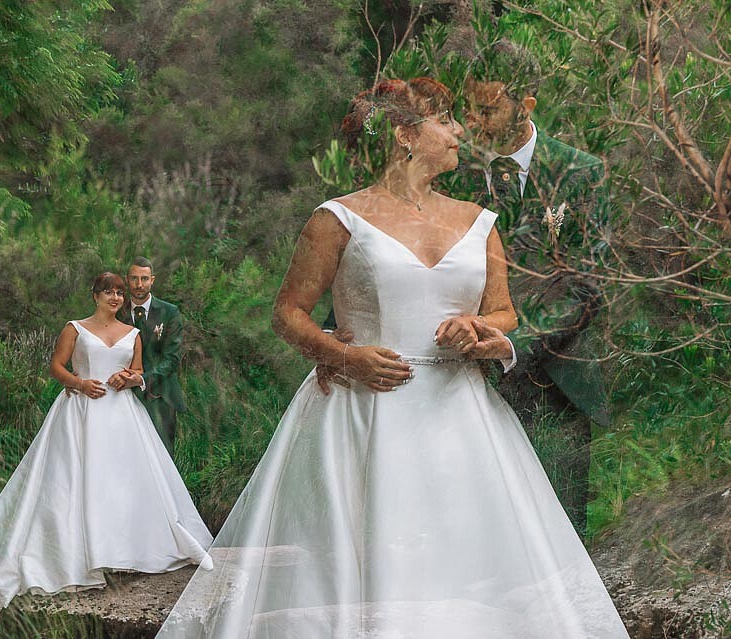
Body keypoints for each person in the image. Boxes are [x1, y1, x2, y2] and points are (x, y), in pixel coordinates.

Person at [156, 79, 627, 637]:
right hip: (363, 411)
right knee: (368, 560)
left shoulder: (480, 221)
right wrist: (342, 354)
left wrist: (480, 328)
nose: (459, 132)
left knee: (468, 557)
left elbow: (505, 315)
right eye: (446, 121)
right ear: (406, 135)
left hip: (462, 415)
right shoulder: (336, 219)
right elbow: (288, 313)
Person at [0, 272, 212, 620]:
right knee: (71, 480)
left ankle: (122, 550)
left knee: (123, 481)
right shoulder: (75, 328)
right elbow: (56, 366)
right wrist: (80, 383)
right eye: (108, 292)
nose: (116, 298)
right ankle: (76, 554)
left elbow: (137, 371)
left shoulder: (133, 334)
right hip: (80, 411)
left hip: (121, 416)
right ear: (95, 296)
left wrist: (127, 378)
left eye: (120, 293)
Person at [452, 39, 611, 533]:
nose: (475, 123)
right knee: (484, 531)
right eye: (470, 110)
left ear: (526, 106)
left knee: (560, 533)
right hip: (467, 381)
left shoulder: (581, 172)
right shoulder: (459, 176)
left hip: (558, 381)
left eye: (489, 109)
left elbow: (589, 286)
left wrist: (515, 346)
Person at [118, 257, 186, 457]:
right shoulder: (117, 312)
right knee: (127, 455)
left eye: (144, 279)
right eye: (134, 278)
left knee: (162, 456)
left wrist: (142, 379)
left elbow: (172, 358)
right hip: (122, 396)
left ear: (152, 280)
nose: (139, 284)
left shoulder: (169, 312)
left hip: (160, 395)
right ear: (127, 280)